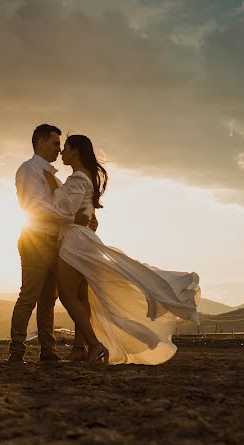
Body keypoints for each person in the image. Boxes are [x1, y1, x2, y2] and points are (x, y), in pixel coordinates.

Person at [45, 134, 200, 366]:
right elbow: (86, 213)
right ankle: (79, 348)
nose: (61, 152)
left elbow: (68, 209)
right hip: (81, 238)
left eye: (65, 147)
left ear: (75, 151)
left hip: (74, 242)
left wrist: (52, 188)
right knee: (81, 297)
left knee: (68, 296)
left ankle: (93, 344)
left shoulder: (77, 178)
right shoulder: (84, 177)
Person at [7, 124, 97, 364]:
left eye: (61, 145)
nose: (59, 148)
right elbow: (33, 207)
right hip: (35, 238)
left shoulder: (55, 178)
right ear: (41, 142)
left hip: (56, 242)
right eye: (56, 143)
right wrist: (72, 218)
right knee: (29, 296)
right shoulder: (28, 170)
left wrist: (88, 216)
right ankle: (16, 352)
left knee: (48, 300)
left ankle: (48, 352)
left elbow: (72, 203)